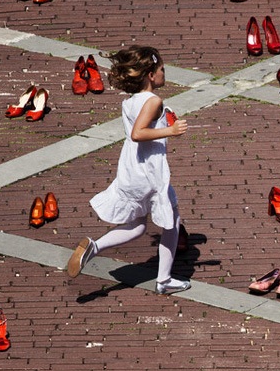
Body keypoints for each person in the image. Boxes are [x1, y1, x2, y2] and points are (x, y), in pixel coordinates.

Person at [66, 45, 191, 294]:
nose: (164, 73)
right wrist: (171, 130)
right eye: (162, 69)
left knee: (138, 225)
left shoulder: (130, 101)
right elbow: (138, 133)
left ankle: (94, 247)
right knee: (171, 222)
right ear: (150, 75)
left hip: (132, 168)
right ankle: (164, 280)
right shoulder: (154, 100)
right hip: (149, 172)